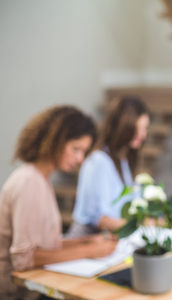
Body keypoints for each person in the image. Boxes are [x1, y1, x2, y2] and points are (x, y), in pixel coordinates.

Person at [0, 106, 117, 300]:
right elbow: (24, 258)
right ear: (55, 141)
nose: (80, 159)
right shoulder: (29, 182)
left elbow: (44, 245)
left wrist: (87, 241)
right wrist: (89, 250)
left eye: (83, 152)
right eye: (76, 149)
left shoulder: (41, 179)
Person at [68, 96, 150, 237]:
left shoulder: (124, 161)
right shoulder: (99, 161)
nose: (142, 134)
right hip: (88, 242)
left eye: (145, 128)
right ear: (123, 127)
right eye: (137, 128)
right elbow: (101, 220)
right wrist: (143, 224)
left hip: (112, 241)